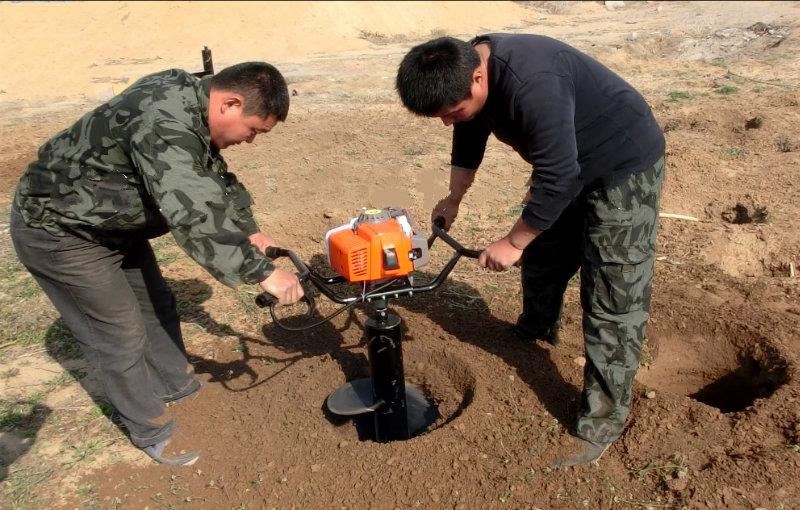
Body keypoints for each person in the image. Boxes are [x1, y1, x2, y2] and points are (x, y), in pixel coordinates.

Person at [10, 62, 304, 465]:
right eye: (254, 130)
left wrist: (247, 227)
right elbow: (191, 209)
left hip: (111, 223)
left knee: (156, 305)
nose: (251, 140)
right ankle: (150, 430)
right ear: (230, 104)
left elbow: (207, 173)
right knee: (117, 333)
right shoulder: (163, 118)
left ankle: (177, 388)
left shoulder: (192, 103)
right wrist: (262, 271)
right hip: (62, 231)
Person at [396, 34, 665, 466]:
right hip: (568, 165)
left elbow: (558, 175)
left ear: (478, 78)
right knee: (545, 255)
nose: (448, 121)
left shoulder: (533, 83)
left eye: (451, 112)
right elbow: (468, 134)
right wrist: (453, 198)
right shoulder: (464, 69)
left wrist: (512, 241)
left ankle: (601, 424)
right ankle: (536, 330)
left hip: (621, 164)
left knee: (612, 295)